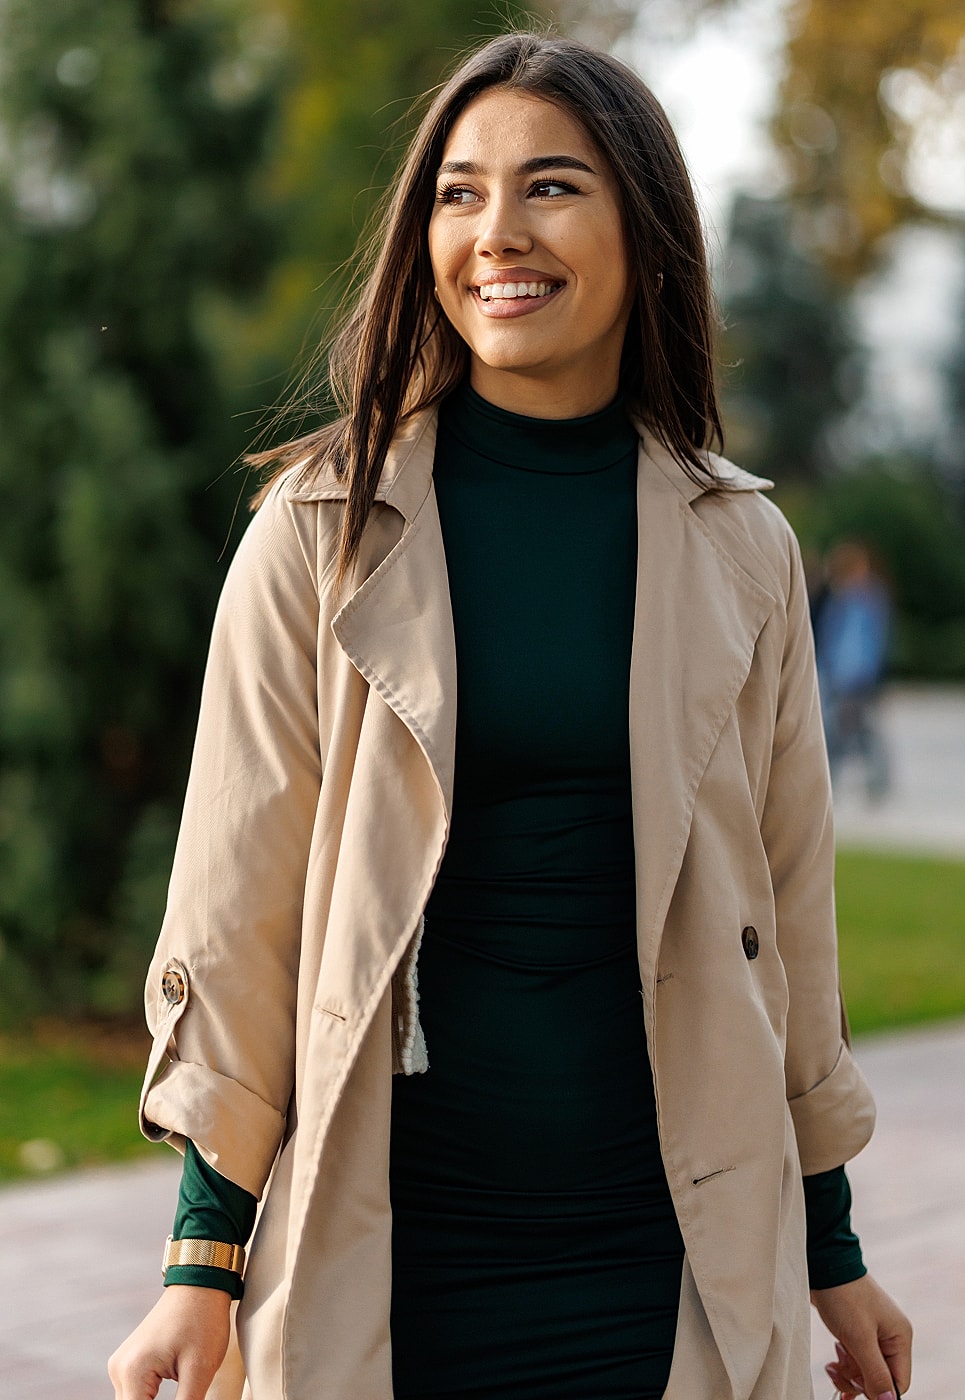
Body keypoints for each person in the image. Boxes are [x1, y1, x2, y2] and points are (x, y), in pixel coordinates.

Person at [109, 30, 912, 1400]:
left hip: (667, 1266)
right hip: (400, 1256)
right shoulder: (317, 531)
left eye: (550, 186)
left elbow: (786, 923)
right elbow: (236, 911)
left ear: (645, 232)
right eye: (458, 193)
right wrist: (201, 1266)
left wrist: (832, 1248)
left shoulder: (745, 549)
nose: (496, 233)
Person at [815, 540, 893, 800]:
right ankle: (835, 782)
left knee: (857, 733)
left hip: (857, 679)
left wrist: (865, 677)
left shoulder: (869, 600)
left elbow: (869, 645)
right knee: (847, 733)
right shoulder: (839, 601)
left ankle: (874, 783)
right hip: (840, 677)